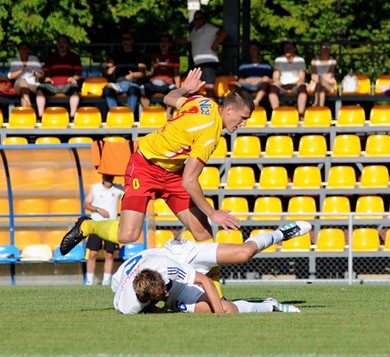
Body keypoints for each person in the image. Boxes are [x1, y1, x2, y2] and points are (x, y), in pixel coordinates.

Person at [60, 68, 254, 298]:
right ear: (230, 110)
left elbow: (169, 98)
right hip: (145, 167)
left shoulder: (204, 102)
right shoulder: (210, 132)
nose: (243, 124)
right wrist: (213, 213)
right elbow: (190, 180)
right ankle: (88, 226)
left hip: (172, 173)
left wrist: (185, 89)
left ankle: (217, 297)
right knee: (128, 235)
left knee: (204, 235)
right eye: (243, 118)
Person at [111, 220, 310, 314]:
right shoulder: (127, 306)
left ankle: (280, 233)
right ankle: (271, 305)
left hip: (180, 255)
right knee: (229, 309)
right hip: (174, 288)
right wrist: (162, 307)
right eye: (160, 294)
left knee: (243, 253)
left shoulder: (165, 267)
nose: (164, 293)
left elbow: (204, 280)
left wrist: (218, 317)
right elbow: (145, 309)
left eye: (164, 289)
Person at [83, 174, 124, 286]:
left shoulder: (117, 189)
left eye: (110, 176)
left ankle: (106, 281)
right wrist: (98, 209)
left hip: (111, 226)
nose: (109, 179)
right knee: (93, 253)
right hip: (96, 224)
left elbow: (129, 191)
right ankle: (89, 280)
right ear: (103, 177)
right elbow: (86, 203)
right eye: (107, 176)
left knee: (109, 254)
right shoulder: (95, 188)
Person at [36, 35, 83, 119]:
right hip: (52, 85)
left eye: (63, 42)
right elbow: (44, 72)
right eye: (59, 42)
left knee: (76, 88)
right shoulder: (51, 56)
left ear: (68, 44)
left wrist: (73, 78)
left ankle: (72, 115)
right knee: (40, 88)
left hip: (68, 85)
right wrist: (47, 78)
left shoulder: (74, 56)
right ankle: (41, 115)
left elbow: (79, 74)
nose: (61, 45)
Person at [102, 32, 147, 117]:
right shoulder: (115, 54)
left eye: (128, 39)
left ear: (132, 41)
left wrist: (133, 75)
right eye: (123, 39)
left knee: (134, 91)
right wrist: (109, 71)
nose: (125, 41)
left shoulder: (139, 55)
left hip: (133, 83)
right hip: (118, 84)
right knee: (107, 90)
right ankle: (115, 115)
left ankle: (129, 117)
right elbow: (106, 71)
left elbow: (143, 73)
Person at [187, 10, 227, 97]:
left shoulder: (209, 28)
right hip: (197, 63)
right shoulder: (194, 31)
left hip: (208, 62)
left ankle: (212, 108)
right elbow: (187, 40)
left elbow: (223, 33)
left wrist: (215, 44)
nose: (197, 21)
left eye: (200, 18)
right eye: (195, 19)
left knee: (209, 87)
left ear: (204, 19)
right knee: (193, 88)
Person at [140, 35, 180, 115]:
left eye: (165, 41)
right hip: (153, 82)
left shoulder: (174, 57)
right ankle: (148, 112)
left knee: (173, 91)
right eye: (161, 41)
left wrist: (178, 89)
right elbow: (148, 71)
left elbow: (176, 74)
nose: (163, 43)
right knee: (141, 88)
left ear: (169, 44)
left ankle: (168, 113)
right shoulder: (154, 56)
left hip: (167, 84)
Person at [268, 39, 308, 118]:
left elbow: (302, 78)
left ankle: (300, 114)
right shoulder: (278, 60)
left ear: (294, 49)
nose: (288, 50)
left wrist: (292, 85)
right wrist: (282, 85)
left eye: (290, 48)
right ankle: (276, 113)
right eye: (286, 48)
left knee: (303, 88)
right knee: (272, 88)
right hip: (282, 86)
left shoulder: (300, 60)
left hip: (296, 85)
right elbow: (275, 77)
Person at [228, 40, 272, 106]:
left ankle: (256, 102)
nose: (253, 51)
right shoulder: (244, 64)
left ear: (259, 50)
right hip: (247, 84)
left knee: (265, 81)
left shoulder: (266, 64)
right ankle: (241, 103)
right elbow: (240, 79)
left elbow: (270, 79)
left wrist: (259, 79)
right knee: (232, 84)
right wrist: (247, 80)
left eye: (255, 49)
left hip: (261, 85)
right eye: (251, 49)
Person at [7, 42, 43, 109]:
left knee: (23, 95)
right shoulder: (15, 61)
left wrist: (35, 73)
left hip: (32, 84)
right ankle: (29, 105)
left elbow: (41, 75)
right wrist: (20, 71)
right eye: (22, 49)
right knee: (22, 80)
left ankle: (27, 105)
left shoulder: (34, 59)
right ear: (19, 50)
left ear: (28, 50)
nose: (24, 50)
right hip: (18, 84)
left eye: (25, 48)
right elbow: (10, 76)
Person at [308, 39, 337, 107]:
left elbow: (330, 75)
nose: (325, 49)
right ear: (320, 48)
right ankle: (321, 107)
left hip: (328, 84)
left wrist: (320, 79)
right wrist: (319, 80)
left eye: (327, 46)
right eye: (324, 46)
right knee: (321, 87)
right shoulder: (314, 60)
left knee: (320, 82)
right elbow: (313, 75)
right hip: (318, 83)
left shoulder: (333, 61)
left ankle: (316, 103)